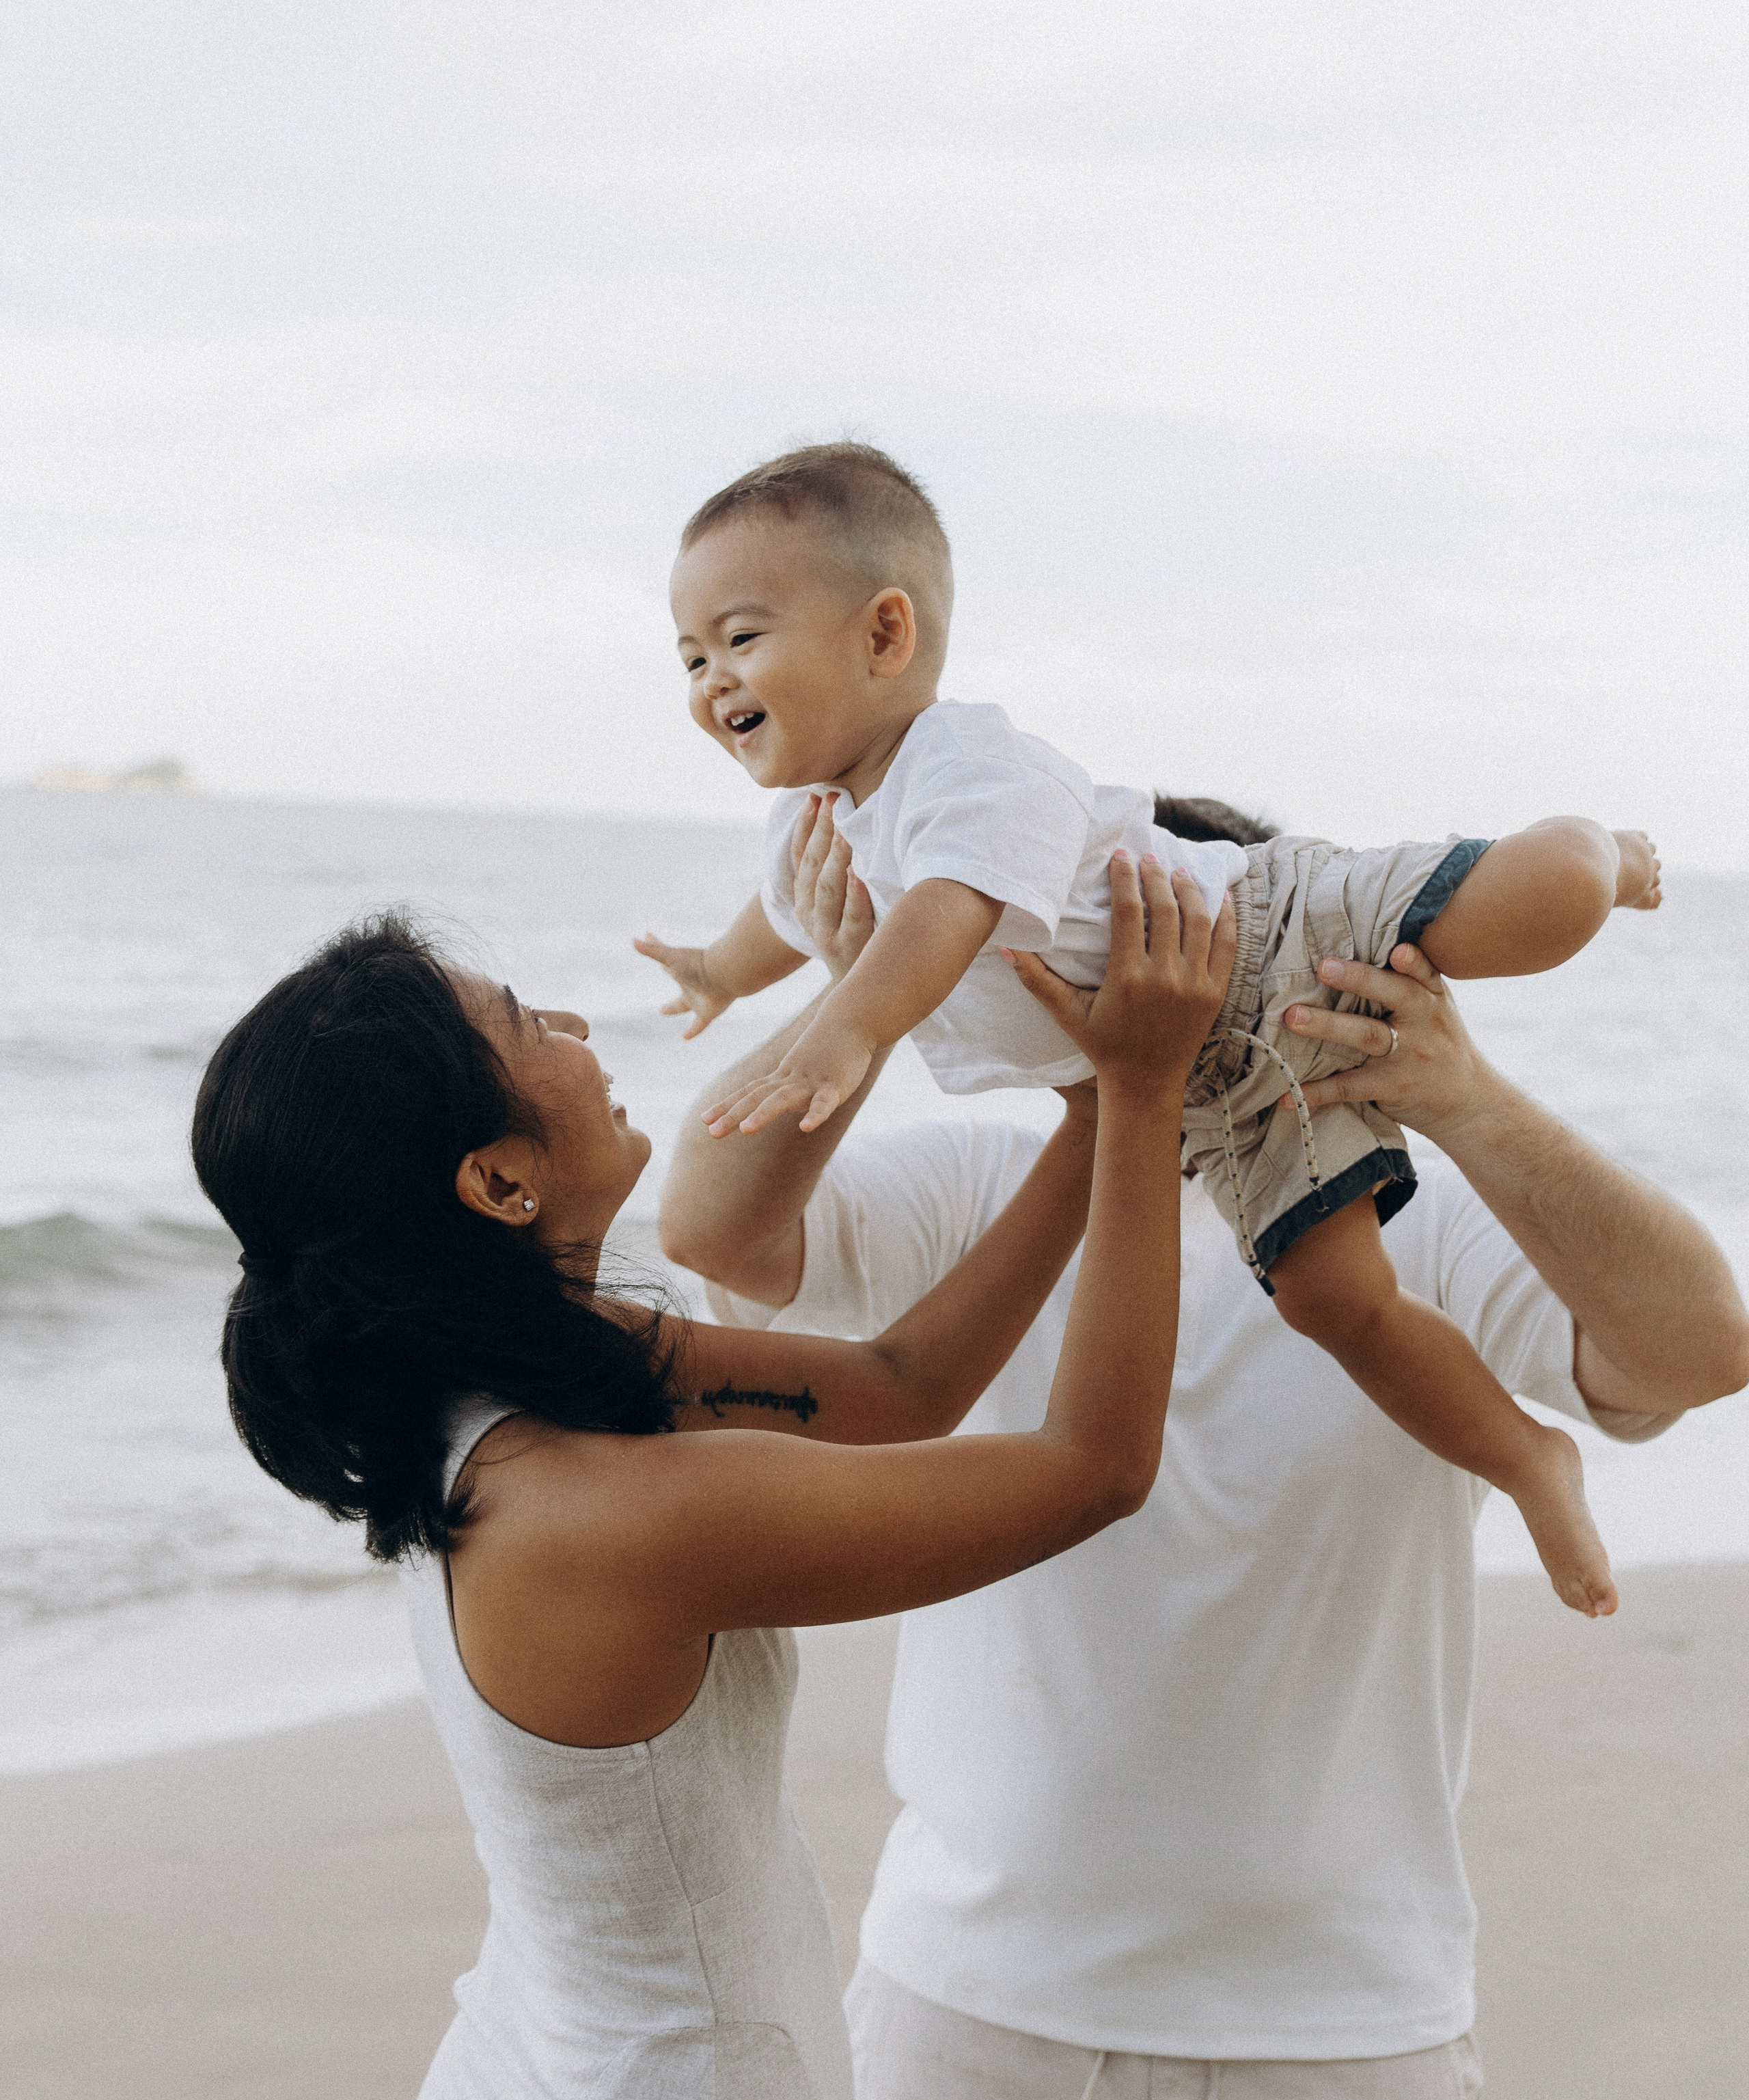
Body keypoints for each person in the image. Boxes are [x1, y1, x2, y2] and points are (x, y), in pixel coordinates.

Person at [657, 797, 1749, 2100]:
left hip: (1334, 2048)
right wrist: (854, 995)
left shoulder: (1390, 1225)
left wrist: (1464, 1098)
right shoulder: (984, 1180)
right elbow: (713, 1227)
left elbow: (1699, 1348)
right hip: (969, 2022)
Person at [188, 867, 1230, 2100]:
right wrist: (1142, 1095)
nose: (568, 1018)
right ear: (494, 1180)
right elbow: (1090, 1469)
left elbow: (902, 1391)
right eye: (520, 1022)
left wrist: (1084, 1111)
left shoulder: (513, 1370)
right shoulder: (599, 1513)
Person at [637, 439, 1664, 1622]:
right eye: (691, 655)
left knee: (1537, 905)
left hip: (1264, 934)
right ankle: (1529, 1458)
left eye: (741, 636)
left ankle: (1608, 849)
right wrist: (719, 971)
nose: (714, 676)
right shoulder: (815, 825)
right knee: (1337, 1303)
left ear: (884, 636)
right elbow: (782, 920)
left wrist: (851, 1027)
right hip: (1230, 1088)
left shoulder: (966, 766)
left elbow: (944, 910)